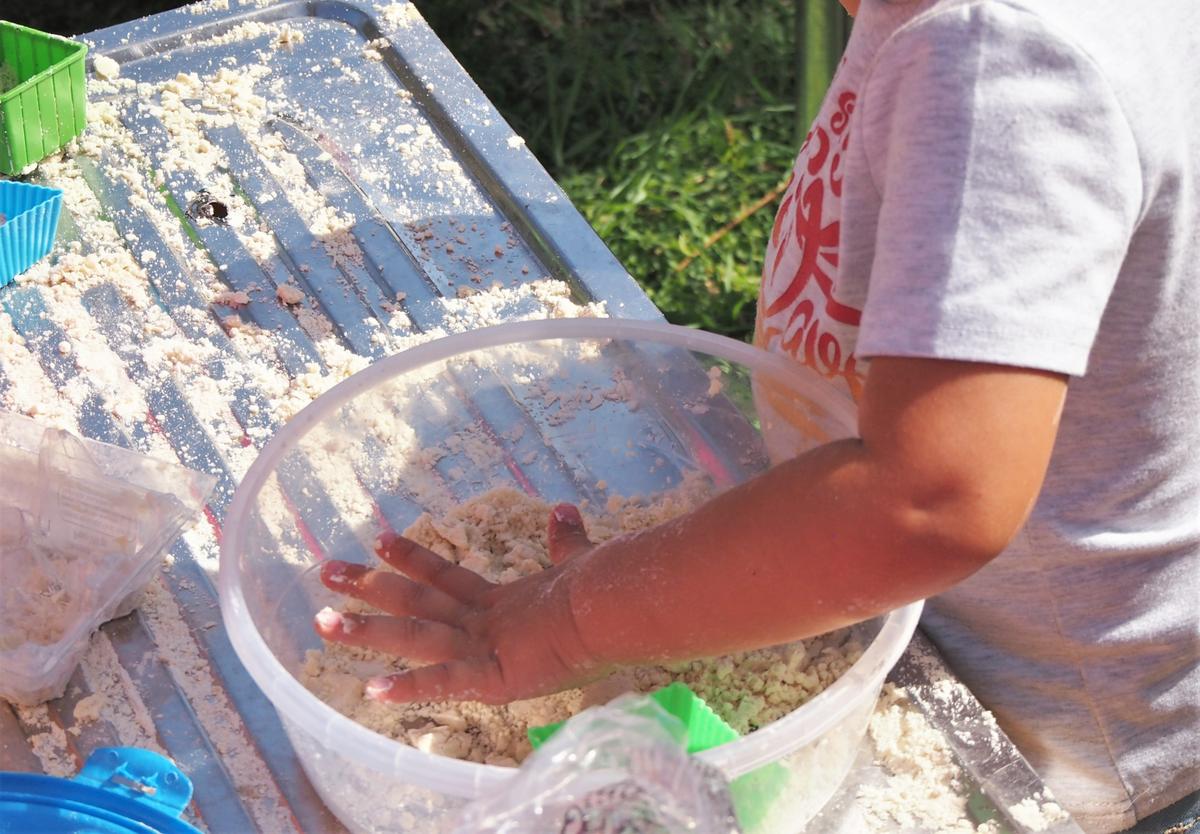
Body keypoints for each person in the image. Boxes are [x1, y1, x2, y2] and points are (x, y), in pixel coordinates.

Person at [313, 1, 1199, 831]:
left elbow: (926, 502)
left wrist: (578, 618)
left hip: (1026, 721)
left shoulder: (996, 59)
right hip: (899, 603)